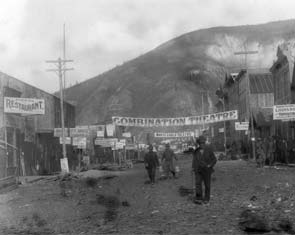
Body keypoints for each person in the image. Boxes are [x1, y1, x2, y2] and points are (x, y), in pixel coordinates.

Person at [192, 135, 217, 204]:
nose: (201, 144)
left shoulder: (209, 149)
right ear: (199, 143)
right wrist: (193, 168)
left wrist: (210, 165)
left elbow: (214, 159)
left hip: (207, 170)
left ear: (205, 142)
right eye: (200, 143)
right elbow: (194, 160)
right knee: (198, 184)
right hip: (198, 170)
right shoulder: (196, 151)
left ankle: (206, 198)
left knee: (207, 185)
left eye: (203, 143)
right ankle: (199, 198)